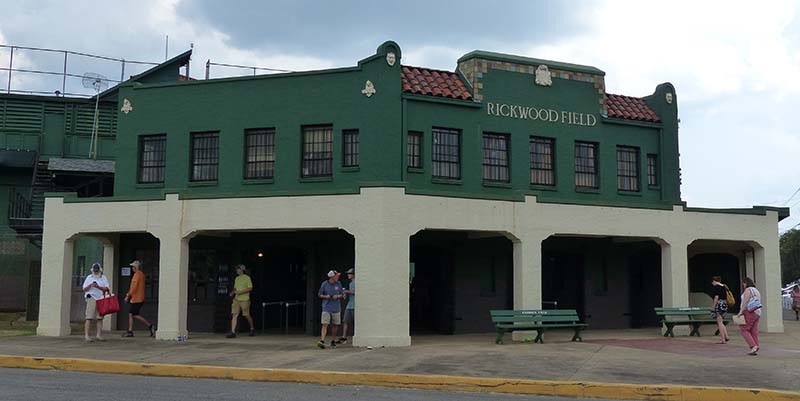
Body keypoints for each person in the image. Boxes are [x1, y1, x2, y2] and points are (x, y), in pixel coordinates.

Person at [122, 260, 155, 338]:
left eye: (133, 267)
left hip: (137, 298)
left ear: (136, 267)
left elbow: (134, 287)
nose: (132, 268)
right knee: (132, 314)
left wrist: (128, 295)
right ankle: (131, 330)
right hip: (138, 298)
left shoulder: (137, 275)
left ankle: (149, 325)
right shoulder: (141, 275)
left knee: (133, 314)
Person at [82, 262, 110, 342]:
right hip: (91, 298)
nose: (96, 272)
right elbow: (84, 289)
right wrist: (90, 285)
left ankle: (99, 335)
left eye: (97, 271)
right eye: (94, 271)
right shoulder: (89, 277)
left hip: (101, 298)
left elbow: (106, 289)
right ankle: (87, 335)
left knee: (100, 317)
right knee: (89, 317)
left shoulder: (103, 278)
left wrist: (98, 286)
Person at [226, 264, 254, 338]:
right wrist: (232, 292)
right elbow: (235, 288)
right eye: (236, 269)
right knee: (234, 314)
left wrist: (240, 292)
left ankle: (252, 328)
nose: (237, 270)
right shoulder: (237, 278)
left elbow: (250, 288)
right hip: (236, 299)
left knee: (246, 315)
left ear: (242, 270)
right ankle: (232, 332)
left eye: (238, 269)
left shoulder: (247, 278)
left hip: (245, 299)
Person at [317, 270, 343, 349]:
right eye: (336, 276)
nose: (338, 277)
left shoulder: (339, 284)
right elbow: (319, 294)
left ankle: (333, 341)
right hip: (326, 307)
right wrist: (326, 296)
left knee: (335, 325)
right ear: (332, 277)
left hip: (336, 307)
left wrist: (338, 296)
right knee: (325, 324)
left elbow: (342, 294)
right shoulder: (324, 284)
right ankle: (322, 340)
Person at [736, 277, 761, 355]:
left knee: (744, 329)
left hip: (749, 311)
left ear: (746, 283)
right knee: (754, 331)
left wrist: (740, 312)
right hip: (757, 312)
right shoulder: (756, 290)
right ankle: (756, 345)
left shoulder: (748, 290)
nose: (743, 285)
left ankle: (753, 346)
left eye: (743, 283)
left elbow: (745, 301)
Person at [709, 276, 730, 344]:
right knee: (721, 321)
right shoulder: (724, 286)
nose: (712, 284)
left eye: (712, 282)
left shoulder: (717, 287)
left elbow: (716, 297)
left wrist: (713, 307)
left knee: (719, 322)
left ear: (714, 281)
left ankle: (723, 339)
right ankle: (726, 336)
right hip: (724, 304)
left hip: (719, 305)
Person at [338, 268, 355, 344]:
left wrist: (346, 291)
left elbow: (355, 292)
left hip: (355, 306)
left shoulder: (357, 282)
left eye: (349, 274)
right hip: (349, 305)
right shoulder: (350, 283)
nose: (348, 275)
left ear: (354, 274)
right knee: (345, 321)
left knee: (356, 322)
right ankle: (344, 337)